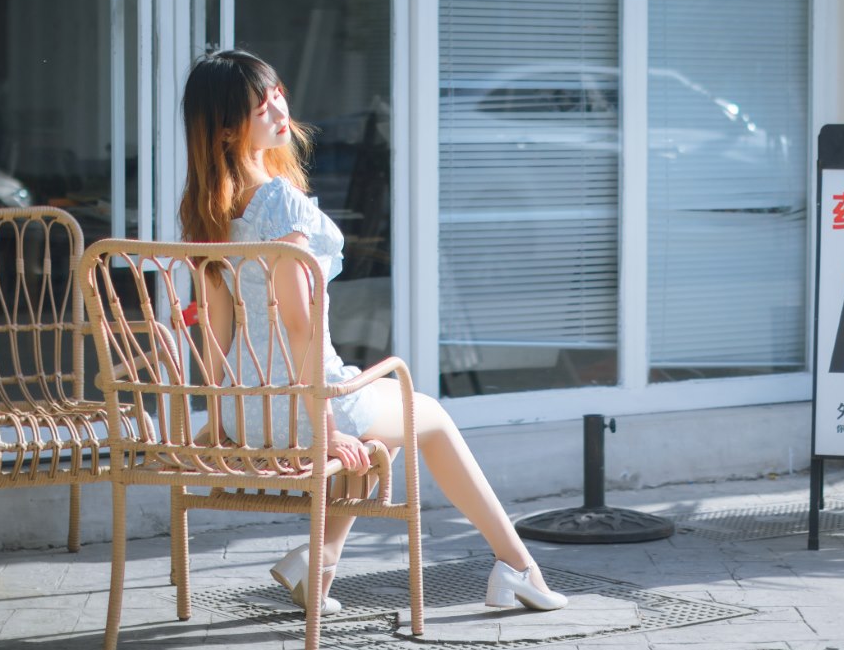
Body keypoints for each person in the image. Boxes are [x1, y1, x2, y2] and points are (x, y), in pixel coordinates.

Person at [177, 49, 566, 617]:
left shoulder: (209, 211)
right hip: (303, 405)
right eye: (263, 109)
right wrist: (327, 429)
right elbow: (298, 325)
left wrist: (220, 414)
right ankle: (517, 567)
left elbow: (216, 325)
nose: (281, 112)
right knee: (428, 414)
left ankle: (317, 563)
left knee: (388, 425)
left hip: (246, 409)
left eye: (278, 96)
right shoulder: (279, 204)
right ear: (228, 130)